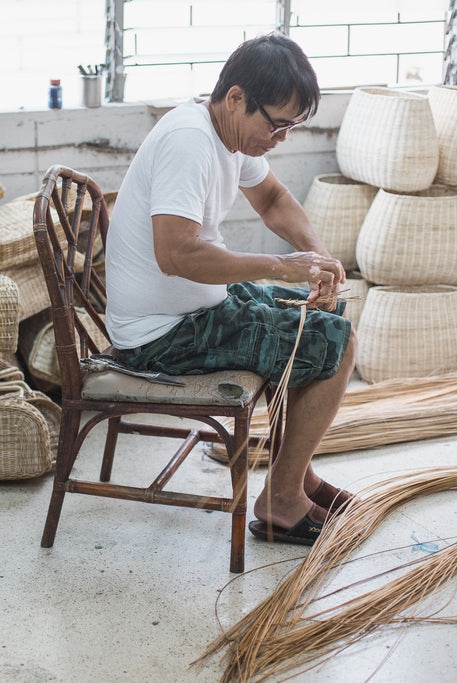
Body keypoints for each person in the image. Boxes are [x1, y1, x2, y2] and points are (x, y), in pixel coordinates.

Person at [103, 33, 356, 546]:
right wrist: (284, 267)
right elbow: (176, 255)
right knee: (337, 342)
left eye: (292, 126)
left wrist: (319, 258)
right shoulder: (189, 142)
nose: (281, 137)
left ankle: (297, 476)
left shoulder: (229, 133)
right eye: (277, 123)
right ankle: (283, 501)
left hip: (196, 307)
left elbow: (273, 198)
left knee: (326, 319)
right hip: (163, 334)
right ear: (237, 98)